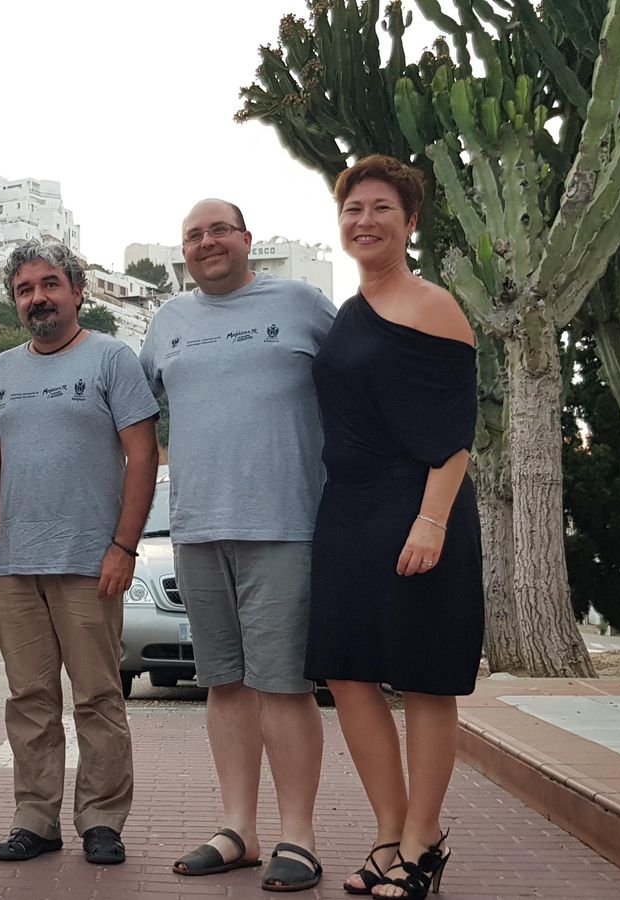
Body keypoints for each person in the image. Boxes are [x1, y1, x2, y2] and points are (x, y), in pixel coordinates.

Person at [140, 200, 336, 892]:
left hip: (286, 523)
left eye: (219, 229)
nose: (206, 241)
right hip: (196, 528)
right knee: (222, 683)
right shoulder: (167, 323)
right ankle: (239, 831)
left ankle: (299, 837)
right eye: (193, 234)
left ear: (248, 239)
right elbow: (132, 418)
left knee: (282, 686)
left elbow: (358, 385)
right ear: (183, 252)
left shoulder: (303, 303)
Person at [305, 154, 482, 899]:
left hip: (418, 506)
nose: (365, 221)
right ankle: (389, 834)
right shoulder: (346, 313)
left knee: (424, 680)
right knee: (347, 674)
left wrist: (432, 521)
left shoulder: (435, 305)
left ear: (410, 223)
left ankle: (424, 840)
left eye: (381, 208)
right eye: (352, 209)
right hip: (348, 510)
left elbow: (457, 430)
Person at [0, 240, 159, 866]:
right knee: (29, 701)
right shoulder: (3, 369)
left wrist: (123, 546)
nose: (39, 298)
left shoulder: (112, 357)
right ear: (15, 300)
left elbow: (143, 456)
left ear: (77, 291)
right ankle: (36, 818)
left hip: (93, 562)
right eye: (25, 289)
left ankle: (102, 821)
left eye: (50, 284)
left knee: (97, 698)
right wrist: (2, 544)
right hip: (18, 566)